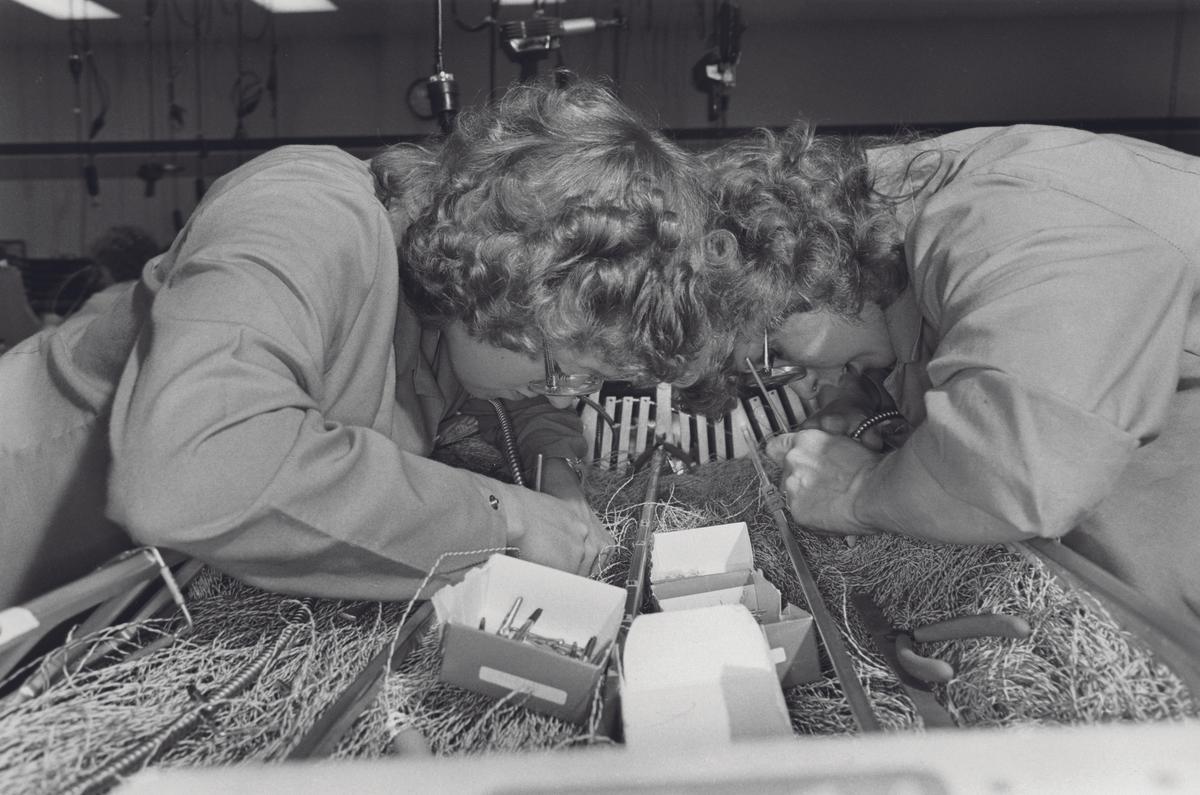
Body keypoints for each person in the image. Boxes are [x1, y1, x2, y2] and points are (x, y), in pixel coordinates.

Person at [0, 76, 713, 608]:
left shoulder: (452, 311)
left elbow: (527, 402)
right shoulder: (305, 214)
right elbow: (195, 467)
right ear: (512, 279)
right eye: (565, 366)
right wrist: (507, 515)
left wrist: (557, 472)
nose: (563, 391)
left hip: (126, 591)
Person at [696, 121, 1200, 628]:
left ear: (789, 269)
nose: (810, 380)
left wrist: (855, 491)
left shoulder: (1007, 215)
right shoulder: (894, 256)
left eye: (775, 355)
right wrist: (872, 403)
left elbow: (1020, 472)